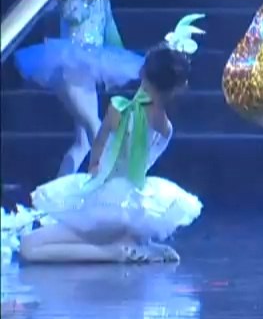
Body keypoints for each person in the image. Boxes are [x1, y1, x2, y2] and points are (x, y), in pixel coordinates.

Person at [18, 16, 205, 264]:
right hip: (132, 211)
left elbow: (103, 149)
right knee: (37, 244)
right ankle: (133, 243)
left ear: (142, 73)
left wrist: (95, 167)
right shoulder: (164, 127)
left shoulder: (120, 111)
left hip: (105, 208)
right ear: (175, 88)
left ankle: (115, 252)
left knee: (28, 247)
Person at [3, 0, 143, 176]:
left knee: (82, 144)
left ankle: (57, 191)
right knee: (95, 127)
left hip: (90, 74)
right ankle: (114, 180)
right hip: (67, 71)